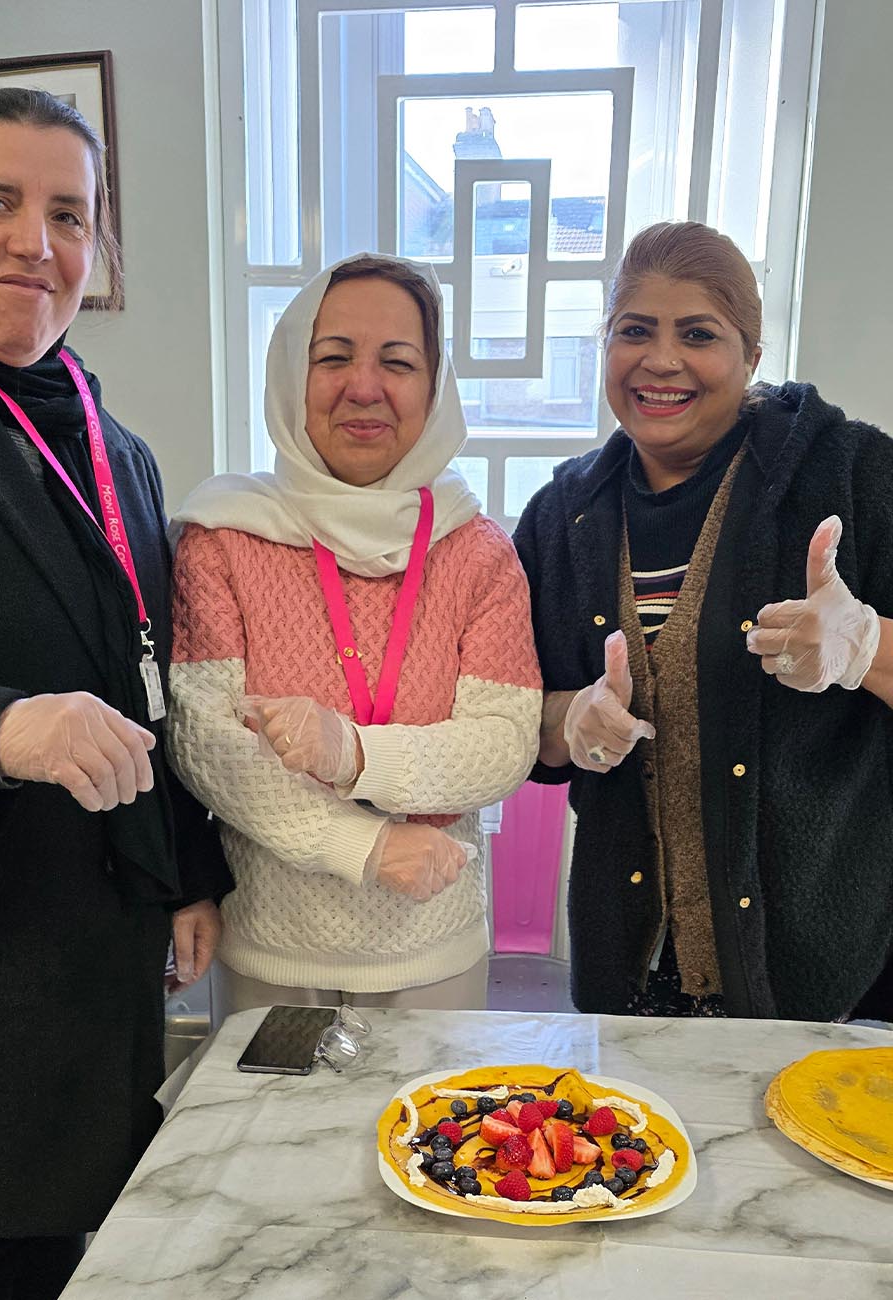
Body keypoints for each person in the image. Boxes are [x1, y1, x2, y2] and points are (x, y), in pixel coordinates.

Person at [0, 89, 232, 1299]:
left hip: (93, 976)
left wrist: (187, 863)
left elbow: (141, 678)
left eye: (69, 213)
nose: (33, 243)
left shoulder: (118, 446)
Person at [514, 220, 893, 1023]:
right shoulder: (562, 517)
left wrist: (867, 648)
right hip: (627, 966)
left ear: (751, 358)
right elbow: (523, 723)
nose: (661, 360)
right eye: (634, 331)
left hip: (823, 970)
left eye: (698, 334)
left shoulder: (856, 477)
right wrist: (567, 721)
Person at [167, 252, 541, 1017]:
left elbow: (504, 741)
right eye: (331, 357)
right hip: (272, 943)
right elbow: (206, 743)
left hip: (433, 944)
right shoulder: (225, 538)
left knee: (439, 1137)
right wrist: (364, 848)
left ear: (434, 388)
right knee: (271, 1139)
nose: (363, 387)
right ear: (287, 379)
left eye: (397, 362)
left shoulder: (477, 551)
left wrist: (355, 753)